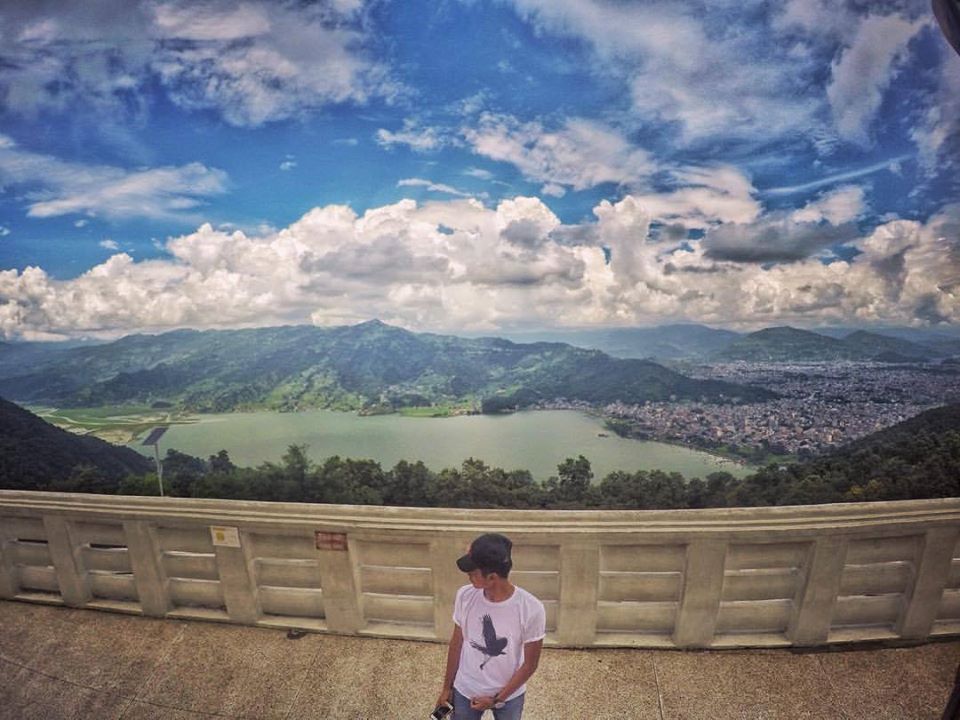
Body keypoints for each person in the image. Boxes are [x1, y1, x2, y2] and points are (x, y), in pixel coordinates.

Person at [435, 533, 546, 719]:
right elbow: (457, 644)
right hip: (465, 689)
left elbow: (530, 665)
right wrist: (447, 688)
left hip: (509, 697)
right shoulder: (465, 596)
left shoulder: (531, 608)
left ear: (492, 577)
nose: (468, 576)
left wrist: (496, 699)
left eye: (472, 573)